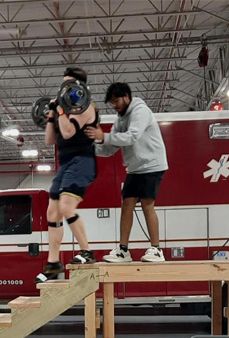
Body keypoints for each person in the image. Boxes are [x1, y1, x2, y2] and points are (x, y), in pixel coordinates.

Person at [86, 82, 168, 263]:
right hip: (136, 168)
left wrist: (103, 136)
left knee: (147, 205)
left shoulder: (141, 111)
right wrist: (89, 149)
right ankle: (123, 250)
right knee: (127, 204)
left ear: (126, 97)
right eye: (112, 103)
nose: (114, 106)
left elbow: (132, 136)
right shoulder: (119, 119)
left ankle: (156, 250)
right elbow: (110, 148)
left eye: (116, 101)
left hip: (152, 165)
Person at [37, 67, 99, 283]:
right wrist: (51, 115)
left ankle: (87, 251)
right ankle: (53, 263)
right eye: (63, 85)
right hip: (65, 164)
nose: (65, 89)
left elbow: (69, 132)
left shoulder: (87, 108)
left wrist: (61, 111)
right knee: (52, 212)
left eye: (69, 84)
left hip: (82, 161)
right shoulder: (63, 110)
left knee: (66, 207)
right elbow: (50, 140)